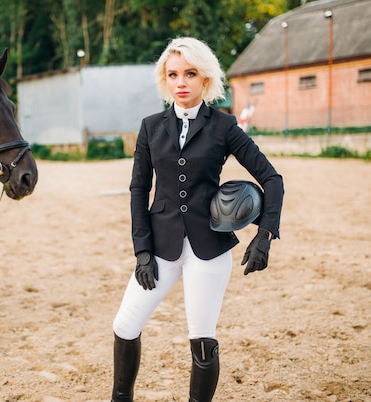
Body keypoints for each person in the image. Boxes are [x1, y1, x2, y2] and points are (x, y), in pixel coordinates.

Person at [110, 37, 284, 401]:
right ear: (165, 80)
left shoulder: (224, 127)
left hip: (209, 247)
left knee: (202, 338)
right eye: (173, 74)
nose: (181, 82)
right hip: (159, 245)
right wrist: (142, 250)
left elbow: (272, 179)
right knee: (125, 325)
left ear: (205, 79)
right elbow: (138, 190)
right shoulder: (150, 127)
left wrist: (264, 235)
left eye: (190, 73)